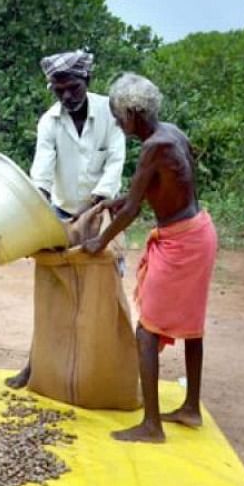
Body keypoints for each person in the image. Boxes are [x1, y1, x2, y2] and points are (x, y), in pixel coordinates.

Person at [77, 73, 219, 443]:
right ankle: (190, 407)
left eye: (118, 116)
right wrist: (118, 200)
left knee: (147, 330)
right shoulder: (172, 133)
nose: (118, 123)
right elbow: (167, 187)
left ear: (132, 113)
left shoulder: (153, 146)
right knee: (192, 325)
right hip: (197, 231)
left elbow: (134, 211)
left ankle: (151, 425)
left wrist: (100, 241)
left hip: (181, 242)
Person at [7, 49, 126, 388]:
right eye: (59, 90)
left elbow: (116, 161)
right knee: (52, 291)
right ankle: (35, 366)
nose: (66, 96)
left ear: (87, 80)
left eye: (72, 87)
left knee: (98, 294)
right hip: (60, 213)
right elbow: (41, 173)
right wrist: (39, 211)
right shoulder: (50, 121)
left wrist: (94, 206)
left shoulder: (110, 113)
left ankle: (96, 372)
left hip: (102, 211)